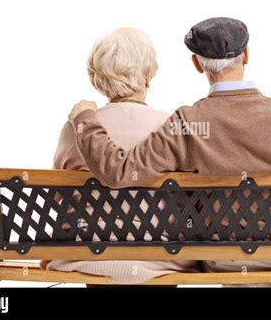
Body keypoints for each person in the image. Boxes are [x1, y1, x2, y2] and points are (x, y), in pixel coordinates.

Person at [67, 17, 271, 286]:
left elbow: (120, 171)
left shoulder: (187, 123)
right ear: (246, 54)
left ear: (197, 64)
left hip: (219, 258)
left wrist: (85, 119)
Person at [42, 27, 199, 285]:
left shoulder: (76, 128)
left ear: (97, 78)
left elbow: (60, 197)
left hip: (88, 258)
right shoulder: (173, 128)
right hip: (163, 259)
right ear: (148, 76)